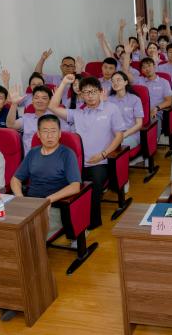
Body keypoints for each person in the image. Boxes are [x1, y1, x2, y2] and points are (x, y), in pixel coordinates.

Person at [49, 75, 126, 229]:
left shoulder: (111, 109)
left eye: (93, 91)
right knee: (63, 185)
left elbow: (119, 136)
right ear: (81, 95)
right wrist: (64, 83)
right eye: (85, 92)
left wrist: (103, 154)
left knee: (93, 185)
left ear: (100, 91)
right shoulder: (78, 113)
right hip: (78, 163)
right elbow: (52, 106)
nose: (90, 96)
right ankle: (71, 224)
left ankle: (92, 223)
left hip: (102, 161)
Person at [11, 115, 83, 239]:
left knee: (32, 235)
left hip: (55, 206)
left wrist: (48, 200)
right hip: (31, 203)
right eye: (45, 131)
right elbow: (15, 179)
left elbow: (75, 186)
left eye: (53, 131)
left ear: (59, 134)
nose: (49, 136)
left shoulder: (67, 154)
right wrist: (20, 198)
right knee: (8, 227)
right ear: (38, 134)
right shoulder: (33, 153)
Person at [6, 84, 67, 154]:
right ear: (32, 100)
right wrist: (14, 104)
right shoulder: (26, 118)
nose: (39, 101)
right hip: (30, 158)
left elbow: (66, 139)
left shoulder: (57, 118)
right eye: (36, 98)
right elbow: (10, 125)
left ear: (50, 101)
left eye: (44, 98)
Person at [106, 71, 144, 149]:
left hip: (131, 134)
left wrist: (123, 135)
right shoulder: (108, 100)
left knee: (116, 147)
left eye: (118, 80)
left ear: (125, 82)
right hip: (113, 135)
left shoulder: (135, 99)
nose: (115, 83)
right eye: (113, 81)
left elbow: (139, 124)